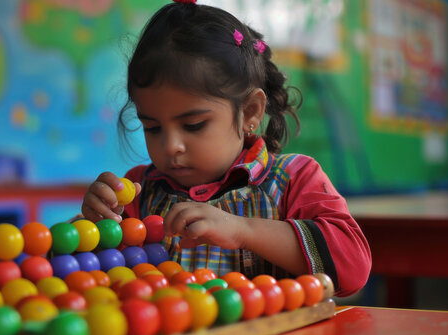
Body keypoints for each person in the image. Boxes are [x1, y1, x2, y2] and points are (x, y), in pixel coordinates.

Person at [81, 0, 370, 297]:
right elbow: (92, 277)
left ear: (250, 112)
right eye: (152, 128)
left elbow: (353, 268)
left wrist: (243, 230)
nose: (171, 146)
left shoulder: (293, 179)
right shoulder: (139, 191)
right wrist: (95, 225)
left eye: (193, 125)